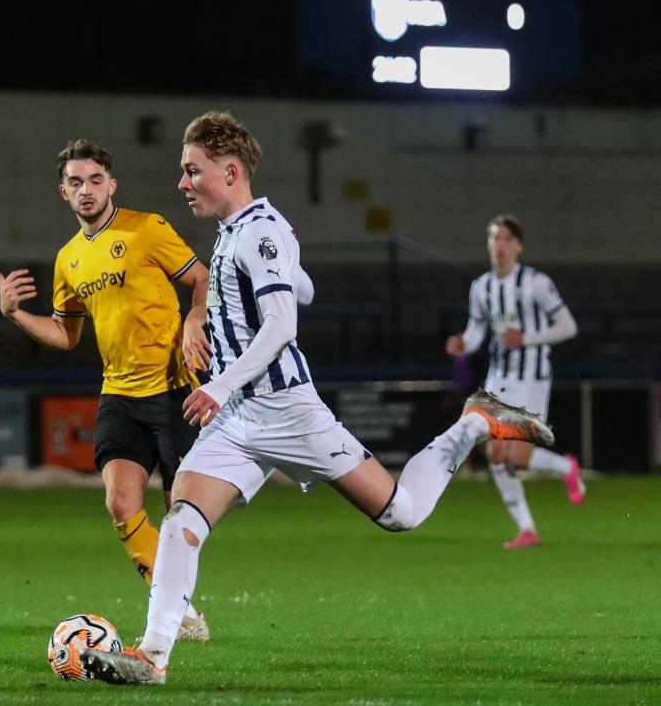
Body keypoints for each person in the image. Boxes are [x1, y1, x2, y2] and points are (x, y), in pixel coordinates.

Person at [81, 111, 555, 685]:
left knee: (401, 513)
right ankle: (152, 657)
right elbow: (303, 288)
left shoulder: (260, 230)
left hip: (288, 409)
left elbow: (282, 323)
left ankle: (474, 422)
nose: (182, 183)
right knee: (183, 514)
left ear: (230, 171)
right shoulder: (239, 229)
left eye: (192, 171)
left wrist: (218, 383)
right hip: (237, 419)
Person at [0, 139, 215, 640]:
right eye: (76, 183)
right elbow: (65, 334)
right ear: (64, 193)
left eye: (95, 180)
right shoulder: (68, 259)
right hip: (118, 394)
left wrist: (196, 316)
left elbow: (200, 277)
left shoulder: (146, 228)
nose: (86, 190)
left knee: (180, 513)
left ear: (111, 185)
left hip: (172, 388)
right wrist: (15, 316)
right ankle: (180, 615)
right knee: (119, 503)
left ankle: (174, 607)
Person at [445, 214, 585, 550]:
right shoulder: (482, 287)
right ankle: (527, 528)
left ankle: (566, 467)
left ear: (519, 246)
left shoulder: (536, 283)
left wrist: (527, 338)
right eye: (495, 238)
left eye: (508, 239)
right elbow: (478, 331)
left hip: (533, 377)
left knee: (517, 459)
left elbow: (568, 327)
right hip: (499, 377)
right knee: (496, 453)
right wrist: (464, 344)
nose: (501, 245)